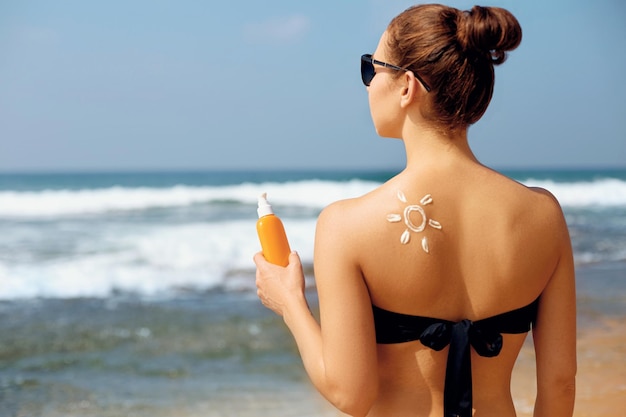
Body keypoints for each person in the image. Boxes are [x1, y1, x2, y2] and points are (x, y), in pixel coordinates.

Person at [253, 4, 576, 417]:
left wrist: (290, 302)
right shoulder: (543, 216)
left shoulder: (346, 226)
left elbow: (351, 394)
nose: (367, 84)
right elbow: (560, 382)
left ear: (407, 86)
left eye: (371, 69)